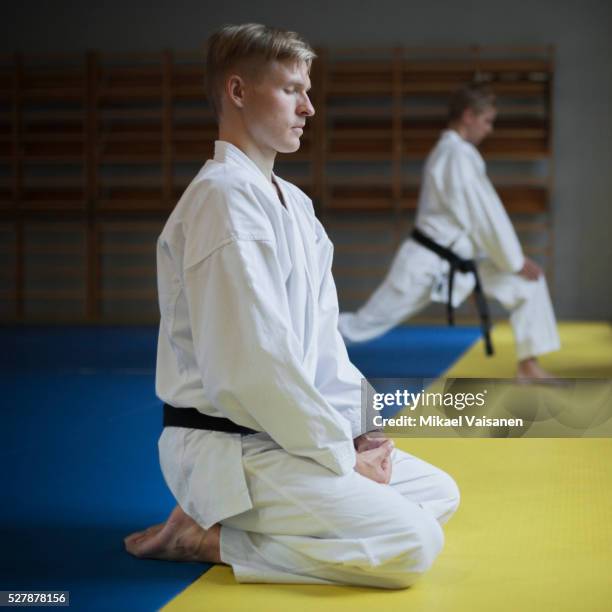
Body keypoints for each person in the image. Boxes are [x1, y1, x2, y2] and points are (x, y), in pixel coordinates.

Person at [124, 23, 459, 589]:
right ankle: (206, 536)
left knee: (438, 494)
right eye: (290, 90)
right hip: (231, 447)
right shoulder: (222, 202)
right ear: (237, 92)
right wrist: (338, 455)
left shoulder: (296, 207)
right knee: (412, 544)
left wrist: (362, 435)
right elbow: (253, 369)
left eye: (308, 90)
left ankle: (254, 518)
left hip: (284, 435)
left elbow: (324, 345)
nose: (309, 107)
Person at [338, 83, 560, 380]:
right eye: (487, 121)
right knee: (363, 325)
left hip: (460, 263)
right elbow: (485, 216)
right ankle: (298, 342)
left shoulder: (458, 154)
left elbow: (477, 221)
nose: (490, 129)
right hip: (425, 264)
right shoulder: (456, 155)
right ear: (468, 115)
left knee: (528, 285)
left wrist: (514, 265)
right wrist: (515, 261)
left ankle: (528, 367)